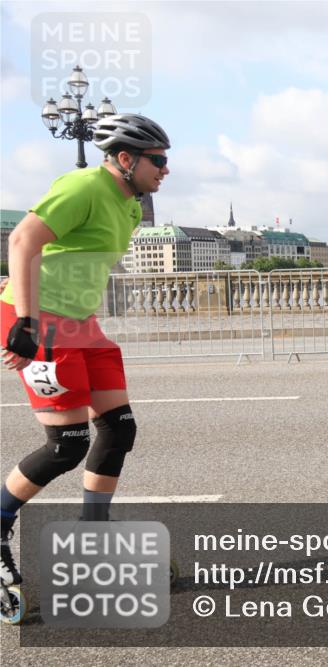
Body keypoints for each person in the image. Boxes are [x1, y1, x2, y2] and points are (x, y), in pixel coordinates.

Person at [0, 114, 170, 610]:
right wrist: (26, 323)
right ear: (125, 159)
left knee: (119, 430)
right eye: (157, 161)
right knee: (67, 445)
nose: (164, 170)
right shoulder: (83, 185)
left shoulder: (132, 207)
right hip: (37, 319)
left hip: (78, 323)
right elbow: (23, 240)